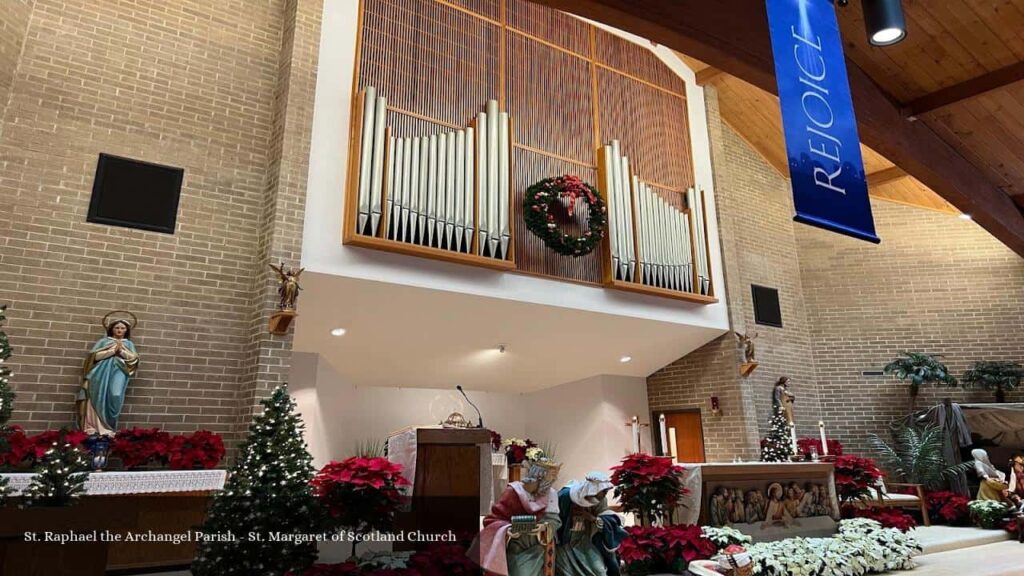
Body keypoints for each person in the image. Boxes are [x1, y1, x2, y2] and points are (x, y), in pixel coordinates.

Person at [472, 459, 562, 576]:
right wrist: (508, 530)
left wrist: (544, 526)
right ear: (540, 476)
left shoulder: (551, 493)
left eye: (554, 478)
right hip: (516, 545)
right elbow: (492, 520)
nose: (552, 481)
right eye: (550, 477)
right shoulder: (514, 492)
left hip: (539, 544)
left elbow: (554, 519)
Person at [76, 316, 139, 436]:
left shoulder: (129, 344)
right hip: (100, 373)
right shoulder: (103, 342)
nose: (120, 330)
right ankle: (94, 426)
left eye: (123, 328)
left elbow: (134, 359)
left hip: (119, 371)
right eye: (117, 328)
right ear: (112, 329)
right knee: (96, 394)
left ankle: (109, 425)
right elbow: (93, 357)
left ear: (126, 330)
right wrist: (111, 351)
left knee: (115, 394)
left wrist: (121, 351)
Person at [555, 471, 625, 576]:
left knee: (599, 571)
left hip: (585, 540)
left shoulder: (601, 500)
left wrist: (591, 518)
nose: (606, 493)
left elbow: (606, 519)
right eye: (604, 490)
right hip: (565, 542)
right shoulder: (566, 495)